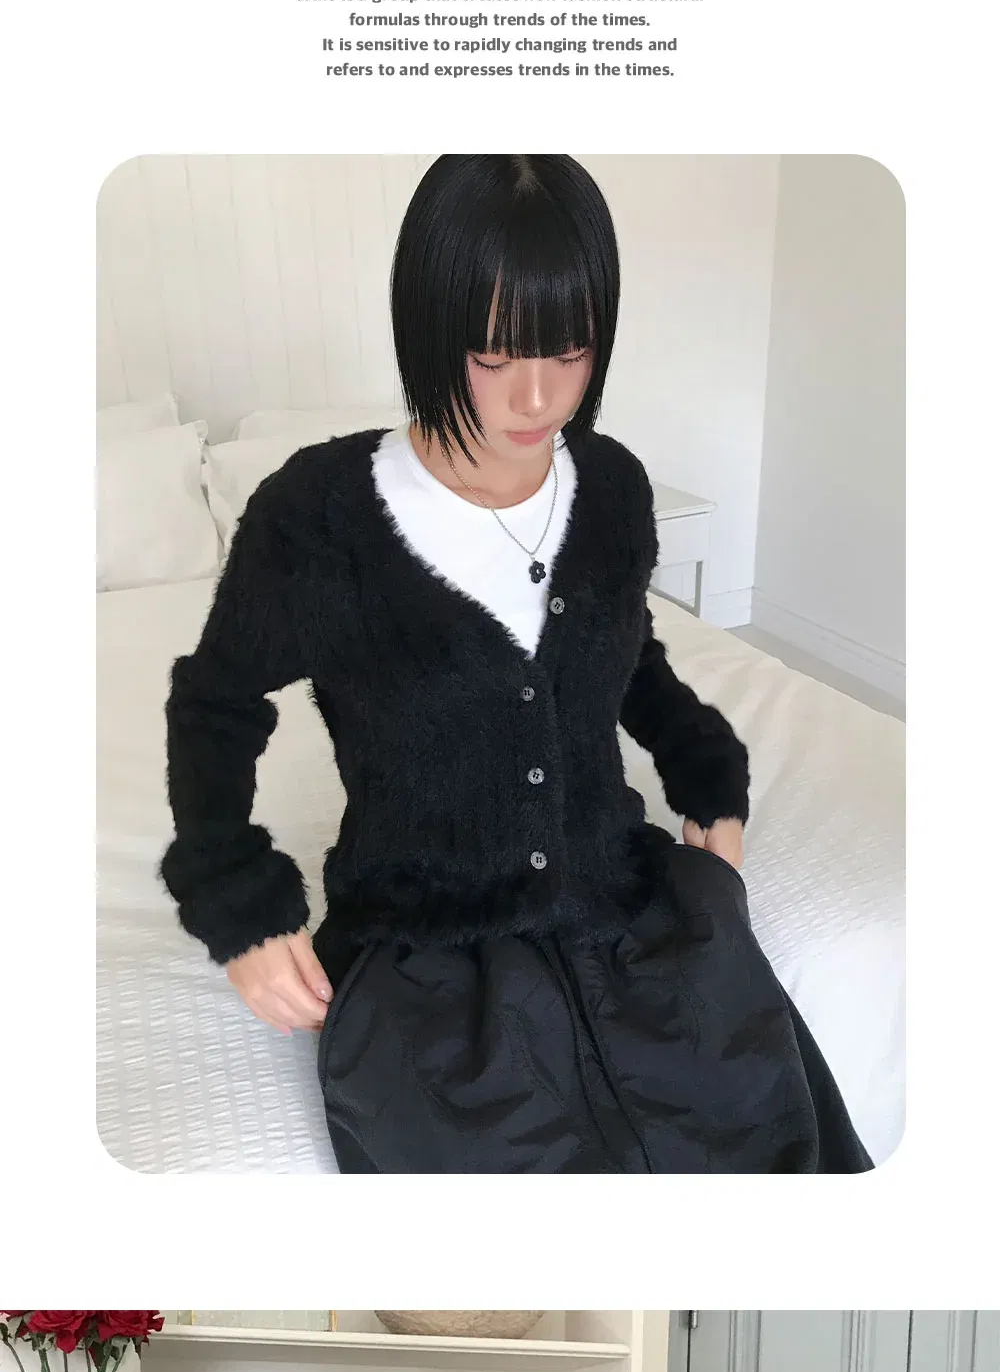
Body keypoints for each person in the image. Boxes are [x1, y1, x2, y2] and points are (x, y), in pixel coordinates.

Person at [156, 149, 869, 1173]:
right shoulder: (316, 518)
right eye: (493, 355)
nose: (538, 396)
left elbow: (628, 654)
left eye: (571, 350)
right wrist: (236, 903)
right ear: (427, 325)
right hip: (425, 943)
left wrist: (705, 769)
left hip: (627, 899)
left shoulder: (613, 488)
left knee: (768, 1141)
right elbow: (214, 706)